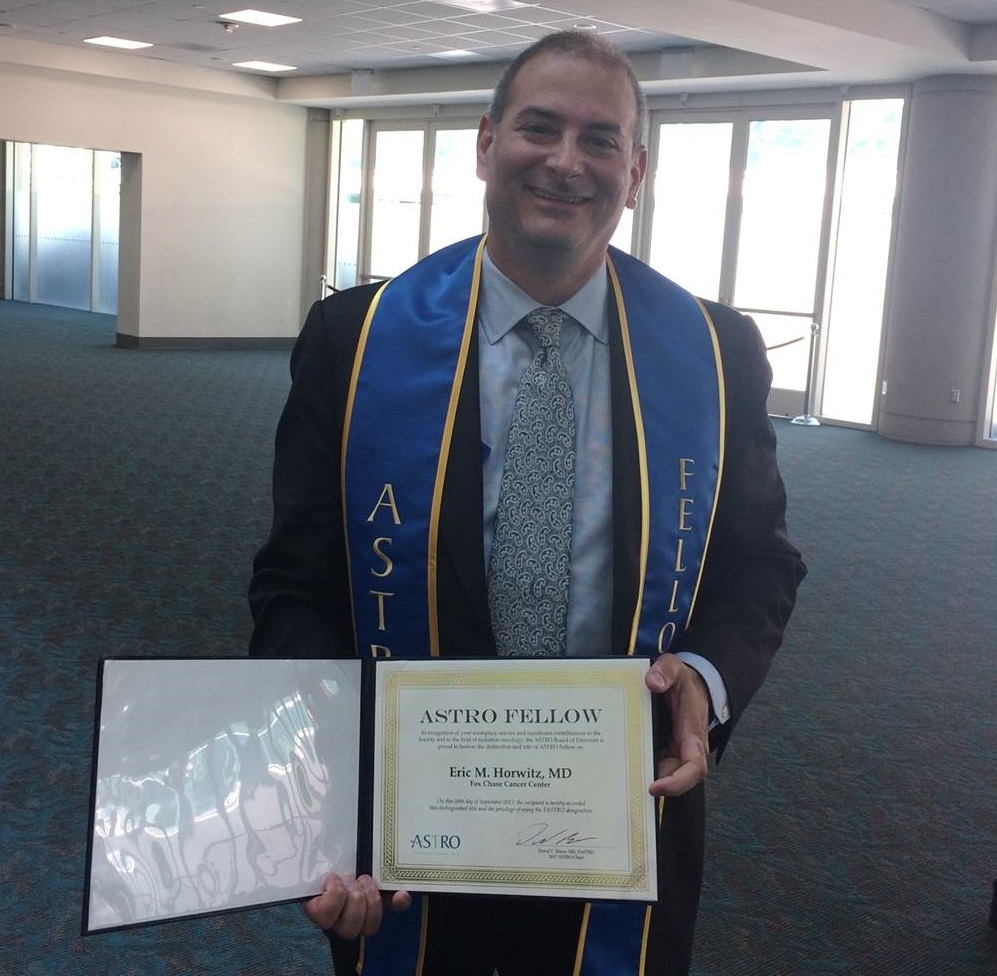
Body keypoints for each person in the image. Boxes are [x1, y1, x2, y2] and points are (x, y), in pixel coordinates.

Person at [248, 29, 806, 976]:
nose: (564, 161)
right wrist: (325, 788)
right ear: (483, 142)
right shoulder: (357, 338)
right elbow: (297, 584)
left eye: (599, 140)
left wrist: (703, 688)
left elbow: (759, 560)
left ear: (635, 172)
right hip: (408, 806)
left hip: (621, 803)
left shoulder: (714, 351)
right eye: (537, 128)